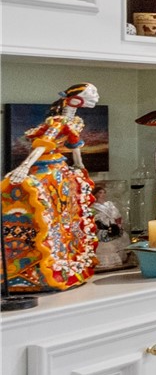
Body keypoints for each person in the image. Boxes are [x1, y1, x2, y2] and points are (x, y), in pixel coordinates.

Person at [1, 83, 101, 294]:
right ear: (74, 99)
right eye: (91, 94)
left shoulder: (72, 121)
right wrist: (25, 167)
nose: (96, 97)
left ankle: (66, 264)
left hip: (60, 168)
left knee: (67, 217)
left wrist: (79, 165)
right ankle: (35, 269)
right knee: (49, 214)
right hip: (46, 169)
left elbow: (74, 145)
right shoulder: (59, 121)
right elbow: (43, 145)